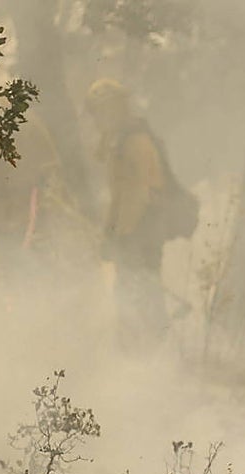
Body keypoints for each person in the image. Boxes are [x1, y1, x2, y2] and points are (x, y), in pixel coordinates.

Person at [85, 78, 172, 348]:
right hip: (131, 232)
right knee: (128, 291)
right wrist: (109, 233)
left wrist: (125, 235)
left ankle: (149, 348)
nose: (96, 120)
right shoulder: (117, 143)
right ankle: (133, 348)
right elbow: (119, 196)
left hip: (142, 232)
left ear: (115, 108)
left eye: (99, 112)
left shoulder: (135, 142)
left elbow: (145, 192)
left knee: (141, 292)